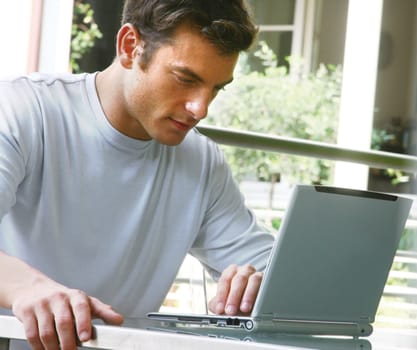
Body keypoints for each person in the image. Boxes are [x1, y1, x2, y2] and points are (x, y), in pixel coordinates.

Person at [0, 0, 275, 349]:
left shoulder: (202, 162)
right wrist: (30, 288)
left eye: (216, 88)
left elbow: (280, 274)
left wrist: (257, 283)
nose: (200, 108)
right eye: (185, 78)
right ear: (130, 46)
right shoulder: (23, 109)